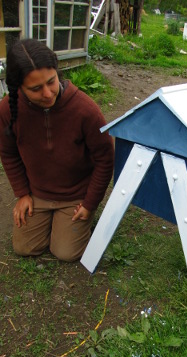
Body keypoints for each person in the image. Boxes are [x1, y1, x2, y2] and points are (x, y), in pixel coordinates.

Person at [0, 39, 114, 262]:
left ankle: (74, 220)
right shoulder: (7, 110)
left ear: (57, 73)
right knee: (24, 248)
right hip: (38, 193)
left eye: (51, 82)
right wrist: (22, 193)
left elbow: (105, 159)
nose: (47, 93)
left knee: (66, 253)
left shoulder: (85, 109)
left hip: (75, 196)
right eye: (35, 88)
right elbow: (8, 153)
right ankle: (51, 220)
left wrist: (90, 203)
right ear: (18, 88)